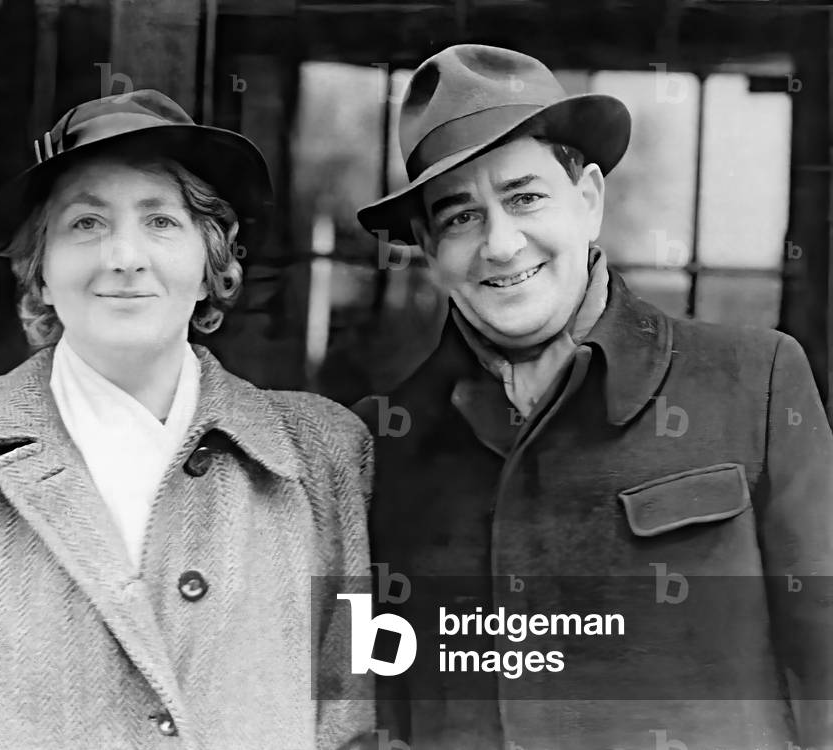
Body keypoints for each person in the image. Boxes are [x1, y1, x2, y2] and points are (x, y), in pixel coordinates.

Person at [0, 89, 373, 749]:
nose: (124, 257)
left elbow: (350, 722)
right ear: (41, 273)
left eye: (161, 221)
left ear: (210, 265)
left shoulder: (320, 456)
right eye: (86, 223)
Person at [355, 45, 833, 749]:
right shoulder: (379, 444)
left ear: (588, 200)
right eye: (460, 217)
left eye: (524, 197)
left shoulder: (754, 382)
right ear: (428, 245)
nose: (501, 243)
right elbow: (372, 704)